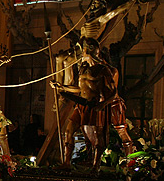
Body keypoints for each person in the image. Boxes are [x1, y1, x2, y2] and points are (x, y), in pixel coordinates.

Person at [51, 37, 133, 171]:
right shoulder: (83, 68)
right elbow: (80, 89)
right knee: (68, 131)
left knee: (98, 135)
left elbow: (113, 93)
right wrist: (62, 87)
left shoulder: (104, 70)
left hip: (95, 106)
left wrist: (103, 104)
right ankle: (66, 163)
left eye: (85, 50)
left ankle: (96, 166)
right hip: (81, 105)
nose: (83, 54)